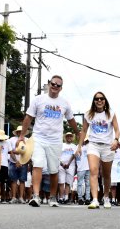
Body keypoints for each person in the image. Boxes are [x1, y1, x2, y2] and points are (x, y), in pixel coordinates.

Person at [18, 75, 80, 207]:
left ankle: (53, 197)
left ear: (61, 88)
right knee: (37, 164)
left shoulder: (64, 103)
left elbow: (71, 120)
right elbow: (28, 118)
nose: (55, 87)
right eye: (53, 84)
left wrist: (78, 133)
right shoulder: (38, 100)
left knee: (53, 170)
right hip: (39, 138)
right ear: (49, 84)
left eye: (58, 85)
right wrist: (22, 136)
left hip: (55, 140)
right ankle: (35, 196)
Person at [77, 91, 120, 209]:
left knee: (106, 174)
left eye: (101, 99)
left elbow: (117, 130)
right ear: (94, 101)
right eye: (96, 99)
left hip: (107, 146)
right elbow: (84, 131)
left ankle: (106, 196)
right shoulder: (88, 115)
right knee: (93, 170)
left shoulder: (110, 114)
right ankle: (95, 199)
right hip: (93, 145)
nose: (99, 101)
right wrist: (79, 147)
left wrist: (116, 140)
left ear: (105, 101)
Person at [8, 126, 29, 204]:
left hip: (24, 162)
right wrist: (16, 161)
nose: (20, 132)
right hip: (13, 162)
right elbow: (10, 151)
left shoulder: (27, 140)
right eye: (19, 131)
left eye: (22, 131)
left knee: (22, 180)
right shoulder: (11, 140)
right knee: (13, 180)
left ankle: (21, 197)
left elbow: (29, 152)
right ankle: (13, 197)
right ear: (16, 132)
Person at [58, 132, 77, 204]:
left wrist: (68, 163)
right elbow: (58, 155)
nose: (69, 137)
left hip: (70, 166)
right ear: (65, 138)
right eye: (67, 136)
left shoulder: (74, 146)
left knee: (68, 182)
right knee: (61, 182)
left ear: (72, 138)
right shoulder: (61, 145)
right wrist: (62, 164)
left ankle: (66, 197)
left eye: (70, 136)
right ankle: (61, 197)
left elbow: (74, 155)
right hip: (61, 165)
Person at [0, 130, 10, 203]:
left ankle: (3, 197)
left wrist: (16, 160)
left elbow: (11, 152)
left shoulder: (7, 143)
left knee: (3, 182)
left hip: (5, 164)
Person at [76, 138, 90, 205]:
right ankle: (80, 198)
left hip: (88, 168)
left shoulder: (88, 147)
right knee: (80, 184)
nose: (84, 140)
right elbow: (74, 155)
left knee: (88, 184)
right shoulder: (76, 147)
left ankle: (88, 198)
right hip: (80, 168)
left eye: (85, 139)